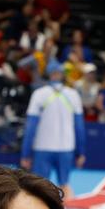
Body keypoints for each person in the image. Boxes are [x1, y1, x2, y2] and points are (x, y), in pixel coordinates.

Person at [21, 60, 86, 200]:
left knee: (39, 187)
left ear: (48, 75)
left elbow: (30, 127)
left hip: (43, 147)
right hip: (66, 148)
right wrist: (80, 152)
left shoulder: (39, 94)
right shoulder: (73, 95)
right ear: (62, 74)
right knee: (65, 185)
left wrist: (26, 153)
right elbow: (79, 127)